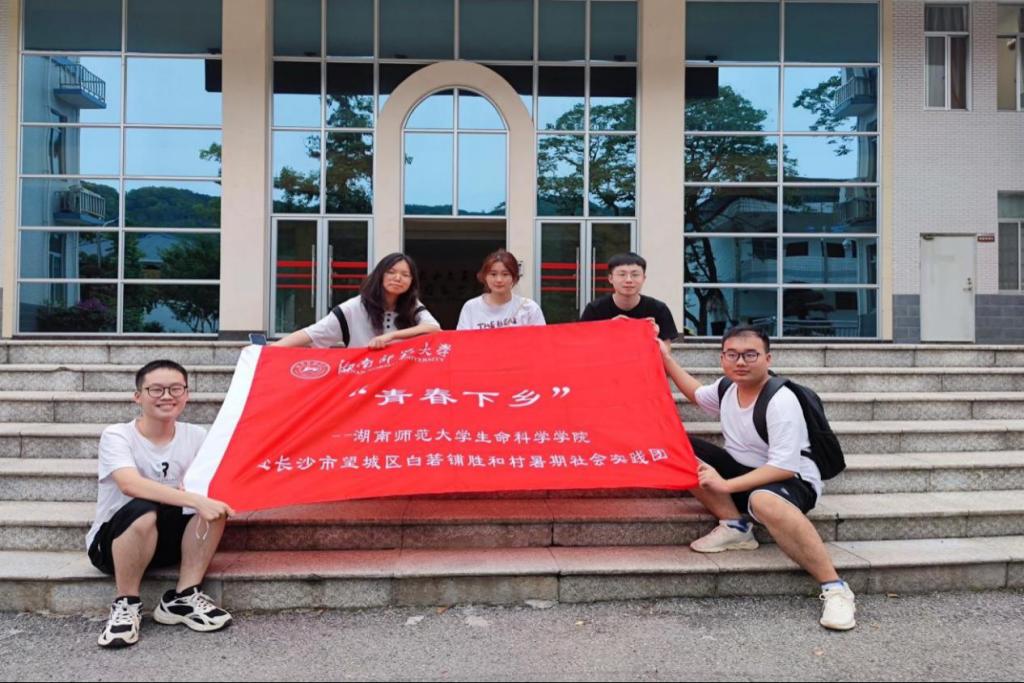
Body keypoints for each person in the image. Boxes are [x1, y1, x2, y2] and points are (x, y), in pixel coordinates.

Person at [661, 325, 857, 631]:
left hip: (792, 482)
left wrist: (725, 485)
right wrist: (665, 358)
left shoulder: (780, 400)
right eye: (732, 355)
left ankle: (835, 588)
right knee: (675, 447)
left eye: (750, 355)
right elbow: (696, 394)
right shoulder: (727, 387)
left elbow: (783, 467)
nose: (740, 362)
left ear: (768, 358)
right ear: (722, 358)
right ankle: (736, 527)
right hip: (745, 472)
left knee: (763, 500)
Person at [87, 360, 234, 648]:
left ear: (186, 395)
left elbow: (206, 483)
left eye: (175, 389)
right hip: (114, 544)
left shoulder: (197, 436)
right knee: (143, 509)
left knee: (212, 506)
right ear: (138, 396)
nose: (167, 396)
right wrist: (193, 498)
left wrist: (202, 498)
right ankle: (126, 603)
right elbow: (130, 484)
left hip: (168, 544)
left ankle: (183, 597)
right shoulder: (117, 435)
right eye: (156, 389)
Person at [276, 252, 441, 349]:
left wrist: (389, 337)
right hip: (362, 382)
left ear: (412, 282)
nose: (398, 278)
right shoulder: (354, 307)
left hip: (400, 385)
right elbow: (311, 334)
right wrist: (269, 351)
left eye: (405, 275)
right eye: (391, 272)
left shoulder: (413, 306)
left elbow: (434, 329)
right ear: (379, 275)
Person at [580, 252, 679, 346]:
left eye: (635, 275)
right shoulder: (594, 310)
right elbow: (582, 347)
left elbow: (665, 353)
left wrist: (654, 336)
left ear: (644, 278)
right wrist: (608, 328)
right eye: (622, 274)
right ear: (610, 278)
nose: (628, 280)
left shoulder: (659, 309)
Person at [457, 249, 546, 330]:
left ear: (514, 278)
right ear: (485, 277)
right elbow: (462, 340)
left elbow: (541, 340)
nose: (499, 280)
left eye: (505, 274)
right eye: (493, 274)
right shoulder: (471, 308)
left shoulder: (529, 308)